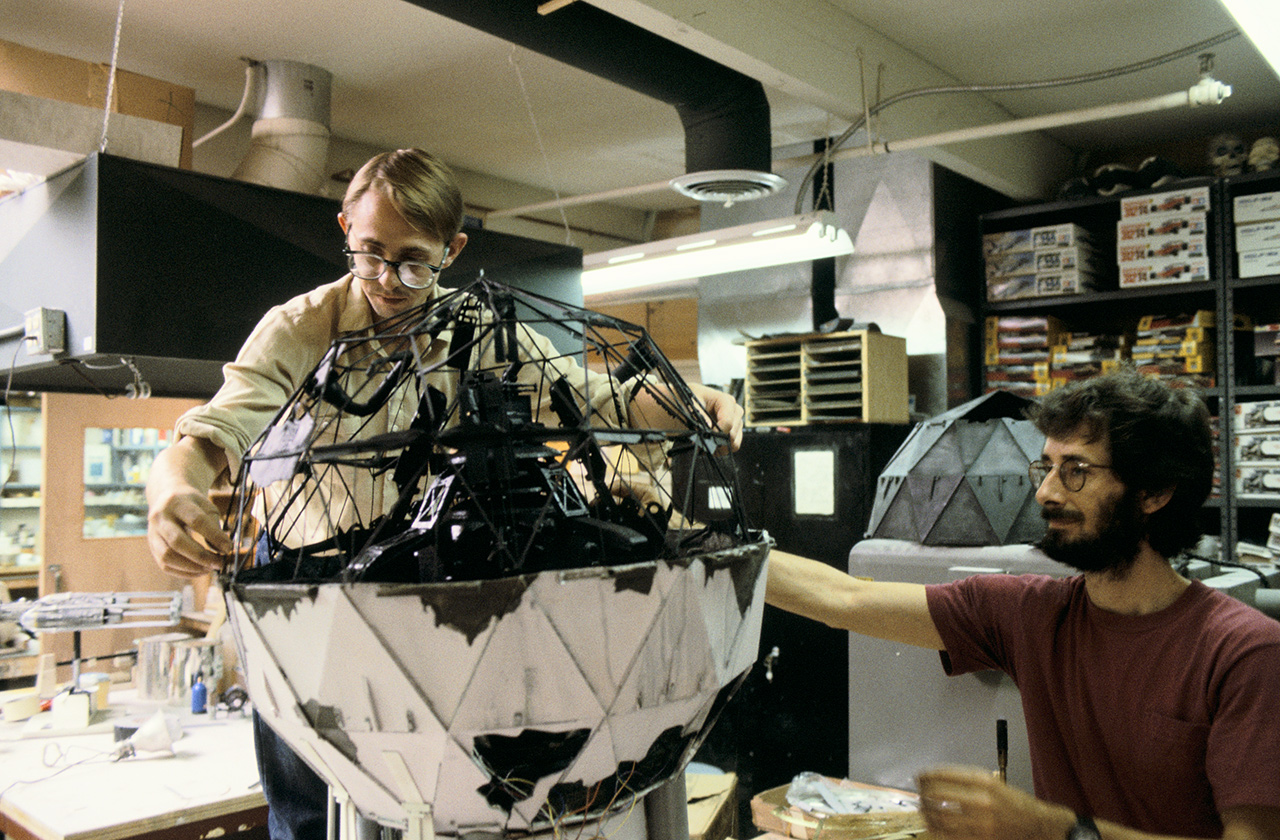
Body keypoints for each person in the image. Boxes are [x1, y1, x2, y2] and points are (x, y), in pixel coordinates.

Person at [145, 148, 744, 839]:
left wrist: (690, 402)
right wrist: (174, 489)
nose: (389, 280)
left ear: (452, 250)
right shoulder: (300, 330)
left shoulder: (482, 331)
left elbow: (594, 399)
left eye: (413, 260)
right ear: (344, 226)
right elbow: (213, 433)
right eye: (368, 254)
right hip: (311, 615)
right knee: (312, 818)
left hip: (433, 616)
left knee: (439, 814)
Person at [766, 367, 1280, 840]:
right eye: (1046, 467)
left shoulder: (1244, 652)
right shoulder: (1031, 615)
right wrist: (705, 554)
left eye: (1075, 470)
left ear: (1154, 492)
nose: (1046, 493)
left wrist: (1053, 829)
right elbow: (845, 597)